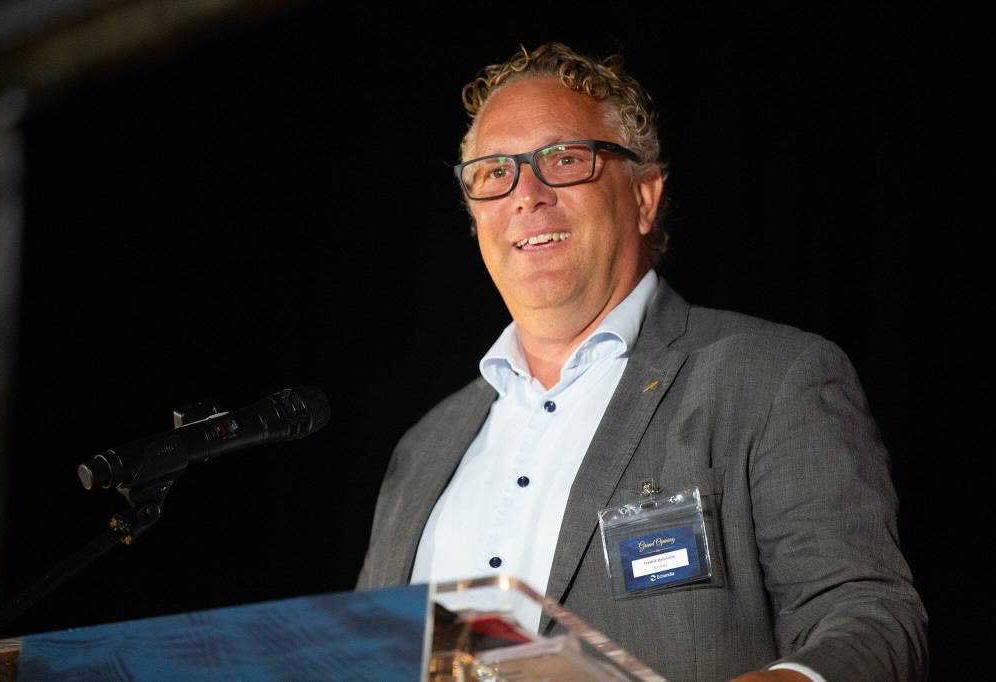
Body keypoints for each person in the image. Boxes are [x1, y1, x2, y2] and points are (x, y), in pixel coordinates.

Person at [357, 43, 927, 682]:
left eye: (565, 159)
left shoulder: (769, 378)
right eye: (494, 173)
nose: (526, 195)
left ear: (645, 196)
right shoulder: (424, 448)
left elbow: (869, 622)